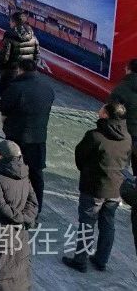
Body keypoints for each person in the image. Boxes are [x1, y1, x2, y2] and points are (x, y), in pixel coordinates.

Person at [63, 101, 131, 273]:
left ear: (106, 115)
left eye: (102, 108)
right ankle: (101, 260)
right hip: (116, 188)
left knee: (87, 224)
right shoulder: (127, 138)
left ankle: (80, 260)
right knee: (108, 224)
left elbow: (80, 157)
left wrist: (87, 172)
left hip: (94, 188)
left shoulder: (95, 136)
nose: (99, 110)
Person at [0, 140, 39, 291]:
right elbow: (33, 202)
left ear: (2, 156)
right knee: (16, 267)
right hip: (19, 233)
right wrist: (25, 218)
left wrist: (19, 218)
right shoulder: (24, 175)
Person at [0, 58, 55, 211]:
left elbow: (4, 108)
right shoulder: (47, 88)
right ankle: (35, 209)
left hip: (16, 137)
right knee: (36, 175)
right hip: (38, 138)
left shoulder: (15, 88)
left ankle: (12, 206)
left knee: (12, 171)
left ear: (20, 70)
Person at [0, 11, 39, 94]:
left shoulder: (9, 35)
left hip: (10, 73)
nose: (9, 23)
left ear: (14, 22)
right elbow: (36, 57)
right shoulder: (33, 37)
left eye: (10, 21)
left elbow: (4, 57)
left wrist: (1, 67)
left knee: (5, 95)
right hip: (25, 74)